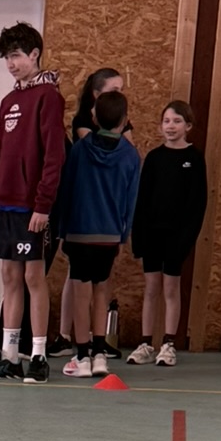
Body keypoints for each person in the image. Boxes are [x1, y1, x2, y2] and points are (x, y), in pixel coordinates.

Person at [0, 22, 65, 384]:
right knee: (9, 277)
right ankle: (9, 356)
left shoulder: (48, 97)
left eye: (16, 56)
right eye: (6, 58)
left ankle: (38, 355)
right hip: (7, 205)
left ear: (34, 54)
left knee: (32, 276)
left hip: (32, 206)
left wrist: (43, 205)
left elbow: (54, 156)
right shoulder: (9, 102)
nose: (10, 64)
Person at [54, 88, 141, 377]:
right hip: (109, 235)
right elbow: (131, 200)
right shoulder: (130, 155)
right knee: (102, 291)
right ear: (124, 120)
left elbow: (66, 191)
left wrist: (63, 231)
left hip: (80, 233)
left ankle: (82, 357)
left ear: (93, 117)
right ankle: (100, 354)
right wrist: (123, 235)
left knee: (81, 295)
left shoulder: (80, 150)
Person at [126, 99, 208, 367]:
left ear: (188, 126)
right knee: (151, 287)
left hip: (177, 238)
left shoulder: (194, 159)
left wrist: (186, 240)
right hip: (152, 234)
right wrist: (139, 237)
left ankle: (169, 343)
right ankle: (146, 343)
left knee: (171, 288)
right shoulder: (154, 158)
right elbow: (142, 200)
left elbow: (197, 204)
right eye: (166, 121)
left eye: (177, 121)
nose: (171, 126)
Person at [56, 67, 124, 350]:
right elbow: (92, 157)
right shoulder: (83, 125)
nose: (120, 95)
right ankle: (70, 339)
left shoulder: (123, 134)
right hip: (84, 222)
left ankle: (95, 345)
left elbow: (123, 160)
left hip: (105, 226)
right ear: (96, 95)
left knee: (99, 286)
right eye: (114, 91)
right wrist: (64, 228)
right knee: (78, 283)